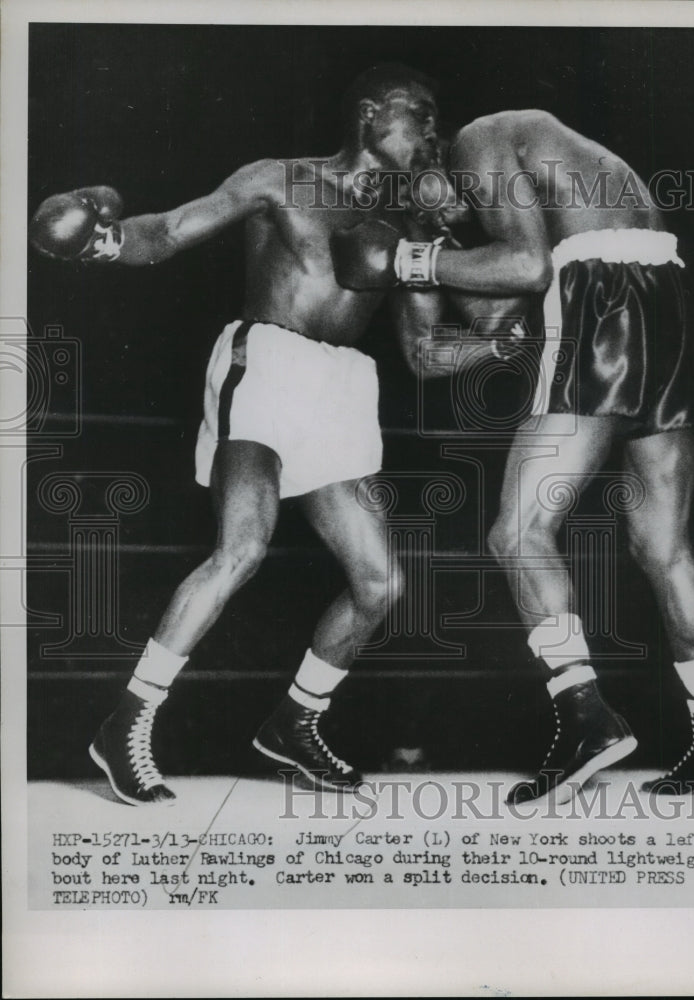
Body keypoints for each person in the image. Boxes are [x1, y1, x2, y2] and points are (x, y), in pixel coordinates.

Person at [30, 63, 445, 805]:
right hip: (268, 359)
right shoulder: (278, 180)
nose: (431, 132)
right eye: (420, 114)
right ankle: (127, 720)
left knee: (379, 582)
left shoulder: (409, 226)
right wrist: (100, 243)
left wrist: (510, 337)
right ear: (372, 113)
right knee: (242, 546)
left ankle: (295, 722)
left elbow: (425, 353)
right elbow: (170, 230)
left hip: (343, 386)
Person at [333, 108, 694, 802]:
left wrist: (409, 258)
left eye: (426, 200)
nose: (442, 216)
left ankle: (586, 719)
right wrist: (436, 253)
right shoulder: (530, 161)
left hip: (597, 292)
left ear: (430, 161)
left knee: (517, 532)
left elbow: (530, 268)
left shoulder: (478, 140)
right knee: (662, 547)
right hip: (666, 300)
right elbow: (496, 317)